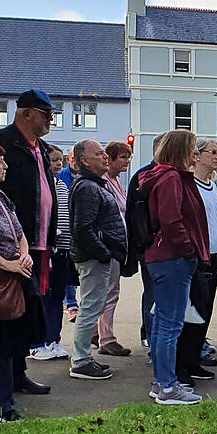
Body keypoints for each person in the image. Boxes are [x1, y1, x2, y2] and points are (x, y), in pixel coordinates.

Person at [139, 130, 209, 405]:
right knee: (169, 325)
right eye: (192, 149)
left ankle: (162, 382)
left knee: (162, 324)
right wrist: (187, 249)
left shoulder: (165, 176)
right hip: (172, 258)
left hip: (164, 257)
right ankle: (168, 386)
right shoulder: (170, 178)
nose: (195, 155)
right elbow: (171, 219)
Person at [0, 89, 58, 396]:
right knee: (12, 311)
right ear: (25, 114)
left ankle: (17, 373)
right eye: (46, 114)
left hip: (37, 242)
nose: (50, 120)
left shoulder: (41, 147)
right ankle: (10, 377)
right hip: (12, 245)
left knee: (28, 310)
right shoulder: (5, 143)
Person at [68, 139, 127, 380]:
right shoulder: (87, 187)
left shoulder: (94, 185)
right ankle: (80, 360)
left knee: (93, 305)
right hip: (93, 258)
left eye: (104, 152)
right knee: (91, 307)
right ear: (84, 160)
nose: (105, 156)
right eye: (99, 153)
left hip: (96, 256)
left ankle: (84, 357)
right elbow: (83, 227)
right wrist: (104, 252)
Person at [174, 138, 217, 385]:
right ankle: (181, 366)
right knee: (191, 313)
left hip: (212, 255)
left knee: (204, 312)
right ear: (197, 155)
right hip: (195, 256)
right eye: (213, 152)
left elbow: (216, 222)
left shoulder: (211, 185)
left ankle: (194, 359)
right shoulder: (189, 185)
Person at [0, 144, 34, 421]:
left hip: (13, 280)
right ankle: (4, 406)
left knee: (10, 343)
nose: (5, 166)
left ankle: (8, 399)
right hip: (2, 279)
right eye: (0, 162)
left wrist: (24, 254)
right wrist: (7, 264)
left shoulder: (2, 197)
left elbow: (18, 230)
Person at [28, 144, 70, 361]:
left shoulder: (62, 185)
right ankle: (36, 343)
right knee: (41, 296)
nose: (58, 164)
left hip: (61, 250)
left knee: (57, 296)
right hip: (43, 250)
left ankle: (53, 339)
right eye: (54, 160)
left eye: (60, 161)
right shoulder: (37, 184)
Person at [93, 140, 133, 357]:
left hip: (116, 244)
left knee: (106, 290)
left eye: (129, 157)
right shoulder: (104, 182)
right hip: (109, 244)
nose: (127, 161)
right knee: (109, 291)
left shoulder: (116, 181)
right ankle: (106, 337)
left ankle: (94, 330)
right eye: (123, 157)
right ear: (110, 158)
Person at [125, 133, 164, 350]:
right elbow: (134, 215)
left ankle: (158, 337)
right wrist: (140, 246)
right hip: (149, 246)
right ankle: (150, 336)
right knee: (152, 293)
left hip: (165, 247)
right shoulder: (143, 176)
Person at [57, 146, 78, 323]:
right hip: (62, 234)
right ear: (68, 159)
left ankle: (70, 302)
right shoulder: (60, 177)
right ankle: (71, 304)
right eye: (73, 157)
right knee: (67, 268)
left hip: (78, 232)